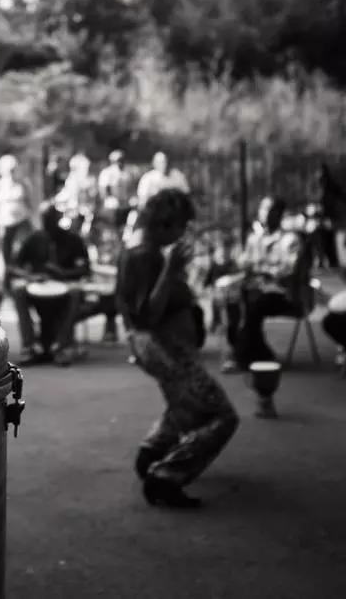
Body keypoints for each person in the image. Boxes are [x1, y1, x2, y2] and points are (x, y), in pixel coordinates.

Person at [117, 188, 238, 509]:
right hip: (164, 347)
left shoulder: (140, 250)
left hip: (157, 346)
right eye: (180, 225)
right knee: (221, 415)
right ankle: (167, 475)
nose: (183, 233)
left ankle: (152, 452)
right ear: (163, 225)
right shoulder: (148, 254)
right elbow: (148, 314)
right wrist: (170, 271)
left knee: (184, 404)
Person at [9, 202, 117, 365]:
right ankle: (29, 346)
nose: (48, 222)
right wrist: (31, 277)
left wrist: (63, 274)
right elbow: (13, 266)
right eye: (45, 218)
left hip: (66, 286)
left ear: (57, 218)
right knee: (19, 291)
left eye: (51, 218)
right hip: (39, 286)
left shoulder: (72, 240)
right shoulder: (34, 239)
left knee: (75, 293)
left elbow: (84, 269)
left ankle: (60, 345)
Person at [219, 196, 304, 373]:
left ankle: (240, 356)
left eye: (268, 209)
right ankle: (260, 353)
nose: (262, 213)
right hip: (254, 289)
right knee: (231, 299)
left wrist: (263, 270)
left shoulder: (290, 240)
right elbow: (243, 263)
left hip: (281, 293)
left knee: (255, 304)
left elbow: (290, 271)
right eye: (262, 209)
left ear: (279, 214)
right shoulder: (254, 238)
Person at [0, 154, 32, 288]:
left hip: (21, 222)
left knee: (19, 253)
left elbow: (29, 203)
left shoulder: (23, 184)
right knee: (6, 256)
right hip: (4, 223)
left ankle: (20, 281)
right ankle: (7, 285)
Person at [97, 149, 137, 232]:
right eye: (117, 160)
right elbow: (103, 191)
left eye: (121, 160)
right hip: (111, 207)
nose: (119, 162)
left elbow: (131, 189)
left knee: (125, 229)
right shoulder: (106, 173)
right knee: (111, 230)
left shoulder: (127, 174)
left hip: (125, 206)